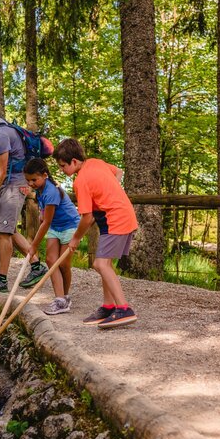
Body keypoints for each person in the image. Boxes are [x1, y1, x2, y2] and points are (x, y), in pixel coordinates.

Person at [55, 137, 139, 329]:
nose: (61, 170)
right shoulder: (96, 163)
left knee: (100, 264)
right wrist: (109, 193)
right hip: (122, 215)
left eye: (62, 166)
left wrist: (75, 238)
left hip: (115, 219)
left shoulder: (81, 181)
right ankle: (108, 306)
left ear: (74, 162)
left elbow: (86, 217)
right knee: (105, 264)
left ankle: (124, 309)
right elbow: (118, 172)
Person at [0, 97, 47, 292]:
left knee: (3, 232)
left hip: (14, 184)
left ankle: (2, 279)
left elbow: (2, 173)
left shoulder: (0, 134)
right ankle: (37, 266)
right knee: (9, 228)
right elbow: (6, 162)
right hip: (13, 180)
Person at [22, 158, 80, 315]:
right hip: (56, 226)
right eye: (28, 180)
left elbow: (46, 223)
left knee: (62, 264)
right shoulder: (40, 191)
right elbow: (46, 215)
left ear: (45, 175)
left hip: (70, 226)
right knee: (50, 260)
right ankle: (59, 299)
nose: (31, 183)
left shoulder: (51, 192)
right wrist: (42, 213)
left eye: (34, 179)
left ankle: (64, 297)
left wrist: (33, 245)